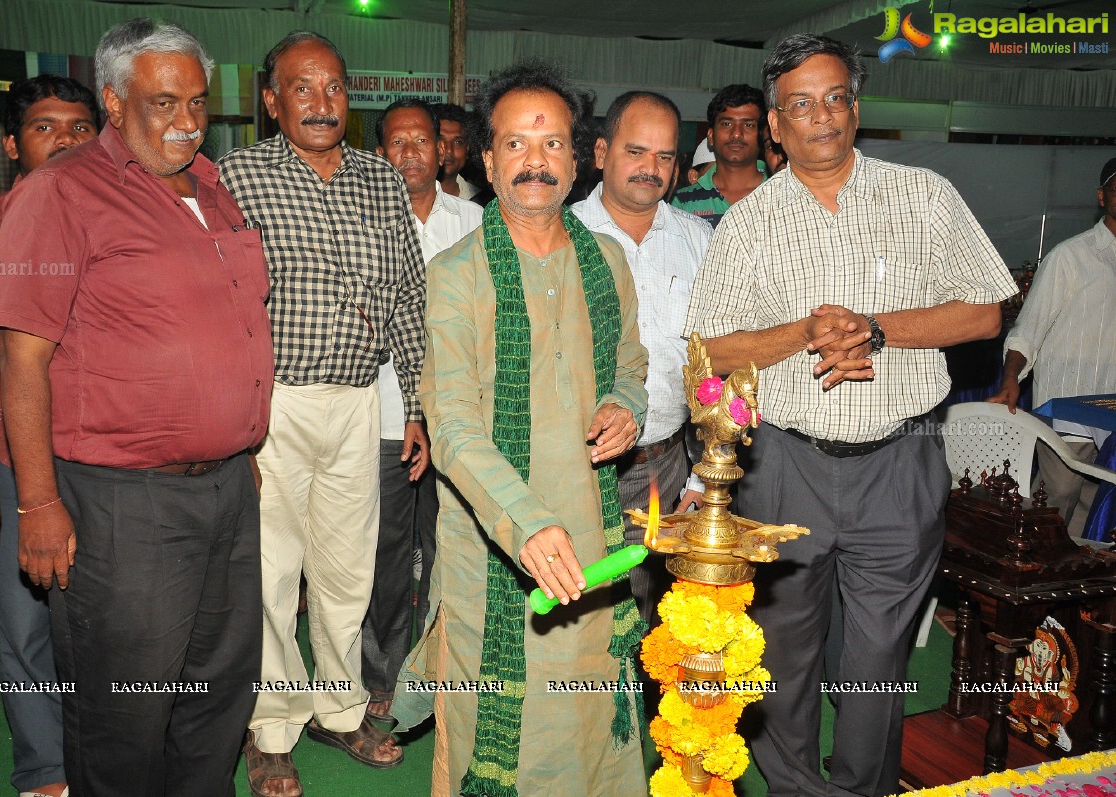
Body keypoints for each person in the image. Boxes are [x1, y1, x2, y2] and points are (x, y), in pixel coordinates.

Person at [685, 34, 1016, 797]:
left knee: (876, 657)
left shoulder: (923, 195)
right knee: (783, 651)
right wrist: (804, 331)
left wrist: (875, 327)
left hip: (899, 463)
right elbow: (711, 343)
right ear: (774, 124)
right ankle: (796, 787)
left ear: (857, 107)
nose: (821, 116)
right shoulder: (749, 222)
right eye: (799, 104)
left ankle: (863, 787)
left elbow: (985, 312)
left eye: (834, 97)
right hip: (785, 466)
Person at [0, 18, 272, 797]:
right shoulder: (60, 193)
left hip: (224, 488)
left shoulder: (212, 190)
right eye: (163, 103)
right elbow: (21, 357)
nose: (186, 121)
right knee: (126, 710)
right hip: (121, 501)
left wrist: (238, 449)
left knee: (216, 691)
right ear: (114, 104)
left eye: (197, 102)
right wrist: (40, 502)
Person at [394, 58, 650, 797]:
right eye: (513, 144)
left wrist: (624, 405)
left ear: (578, 158)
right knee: (502, 719)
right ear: (485, 158)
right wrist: (527, 525)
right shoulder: (456, 273)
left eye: (550, 144)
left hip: (592, 534)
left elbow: (630, 362)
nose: (533, 162)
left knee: (593, 711)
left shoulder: (605, 260)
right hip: (495, 542)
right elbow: (453, 424)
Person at [218, 31, 426, 794]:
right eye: (300, 88)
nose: (320, 102)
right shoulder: (236, 175)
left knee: (347, 571)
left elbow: (407, 295)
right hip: (272, 405)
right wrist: (233, 416)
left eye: (334, 87)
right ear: (271, 102)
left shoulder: (378, 179)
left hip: (358, 400)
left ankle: (339, 710)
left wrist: (417, 403)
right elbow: (220, 307)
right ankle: (270, 726)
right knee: (272, 574)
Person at [0, 73, 99, 797]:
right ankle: (44, 769)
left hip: (102, 460)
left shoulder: (117, 225)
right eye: (45, 127)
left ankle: (105, 755)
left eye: (79, 127)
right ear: (11, 143)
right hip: (11, 462)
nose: (65, 141)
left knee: (105, 624)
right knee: (25, 624)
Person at [572, 90, 711, 631]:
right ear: (602, 153)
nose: (650, 169)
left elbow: (716, 367)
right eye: (636, 152)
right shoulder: (561, 236)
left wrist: (702, 480)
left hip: (667, 467)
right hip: (580, 468)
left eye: (665, 156)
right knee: (581, 622)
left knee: (658, 627)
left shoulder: (699, 241)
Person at [364, 97, 482, 725]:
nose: (410, 154)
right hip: (385, 417)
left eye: (422, 142)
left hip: (461, 419)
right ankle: (380, 674)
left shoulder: (476, 221)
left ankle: (445, 675)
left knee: (452, 551)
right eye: (397, 143)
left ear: (444, 149)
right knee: (386, 552)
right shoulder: (365, 221)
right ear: (380, 152)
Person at [988, 157, 1116, 536]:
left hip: (1111, 413)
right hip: (1070, 404)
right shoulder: (1071, 256)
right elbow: (1029, 328)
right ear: (1101, 196)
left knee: (1097, 509)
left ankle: (1072, 587)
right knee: (1056, 501)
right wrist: (1011, 376)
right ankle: (1031, 575)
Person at [671, 84, 767, 228]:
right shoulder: (681, 202)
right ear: (711, 136)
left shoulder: (785, 193)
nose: (736, 134)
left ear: (764, 134)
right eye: (727, 124)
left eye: (748, 125)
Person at [431, 102, 478, 199]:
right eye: (440, 140)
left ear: (467, 148)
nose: (448, 150)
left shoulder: (481, 202)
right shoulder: (403, 198)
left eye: (458, 142)